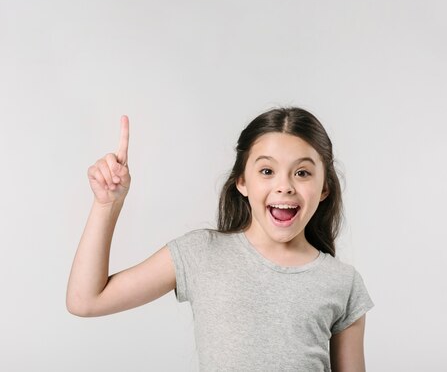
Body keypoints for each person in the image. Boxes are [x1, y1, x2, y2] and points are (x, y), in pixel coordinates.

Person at [67, 107, 374, 371]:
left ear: (324, 188)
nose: (285, 186)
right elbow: (85, 301)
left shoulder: (342, 282)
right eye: (267, 170)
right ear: (242, 181)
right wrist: (107, 204)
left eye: (303, 173)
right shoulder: (201, 254)